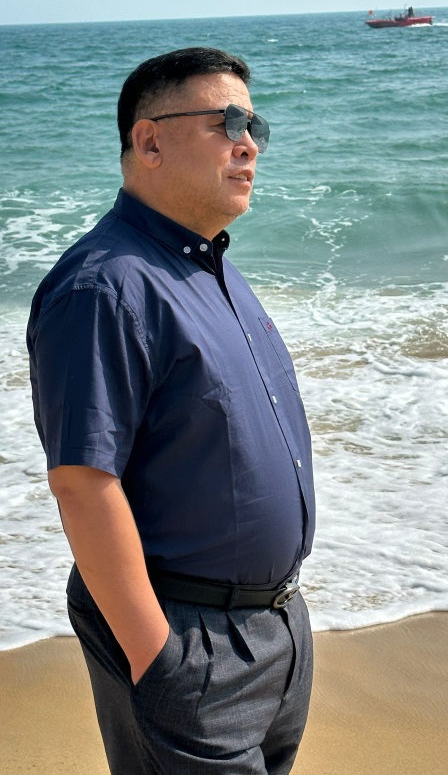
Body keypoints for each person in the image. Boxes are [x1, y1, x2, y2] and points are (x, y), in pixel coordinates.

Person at [27, 47, 316, 774]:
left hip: (274, 630)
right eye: (227, 123)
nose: (249, 144)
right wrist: (157, 657)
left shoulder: (209, 267)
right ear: (149, 141)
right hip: (188, 642)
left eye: (255, 127)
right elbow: (82, 483)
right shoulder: (104, 287)